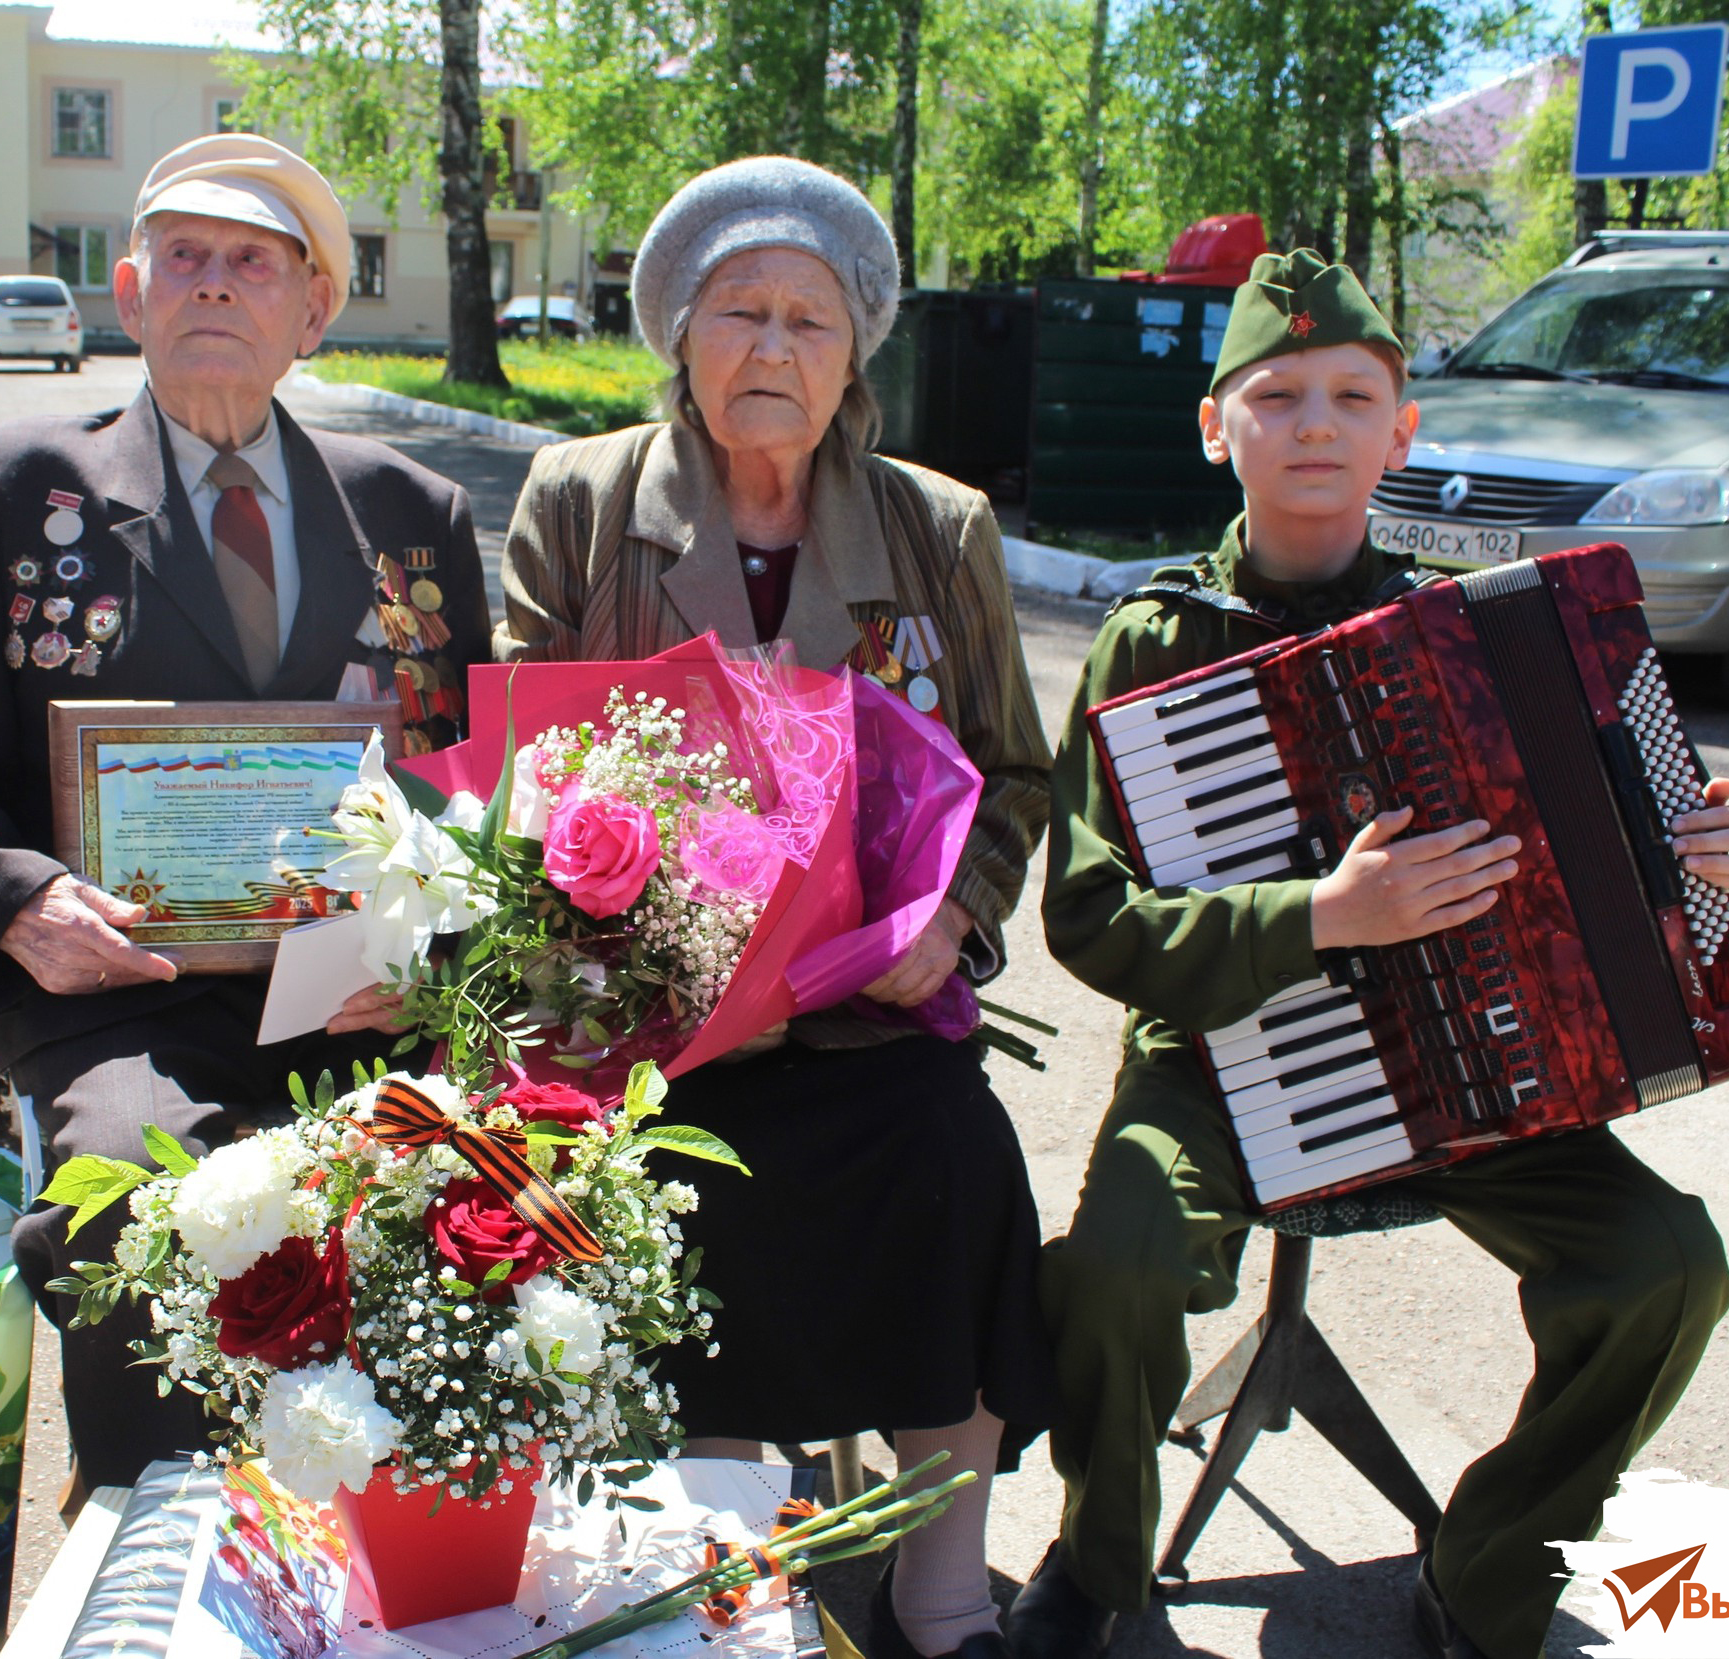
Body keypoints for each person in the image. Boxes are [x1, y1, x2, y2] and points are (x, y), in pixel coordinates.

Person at [1009, 249, 1729, 1659]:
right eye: (1277, 394)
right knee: (1116, 1252)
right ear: (1214, 426)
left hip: (1474, 1065)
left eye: (1353, 395)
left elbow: (1626, 856)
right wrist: (1316, 918)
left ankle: (1484, 1565)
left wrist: (1709, 871)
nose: (1314, 424)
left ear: (1401, 432)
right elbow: (1090, 918)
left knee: (1667, 1262)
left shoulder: (1496, 632)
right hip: (1227, 1058)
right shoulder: (1154, 639)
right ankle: (1095, 1564)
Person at [0, 133, 490, 1495]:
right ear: (132, 297)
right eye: (184, 260)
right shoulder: (15, 493)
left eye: (253, 263)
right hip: (116, 996)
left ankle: (401, 1540)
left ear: (312, 310)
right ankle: (160, 1541)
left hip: (354, 995)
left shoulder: (412, 515)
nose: (215, 286)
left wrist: (416, 951)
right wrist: (21, 903)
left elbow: (456, 784)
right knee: (145, 1200)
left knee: (490, 1189)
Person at [493, 155, 1058, 1659]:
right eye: (737, 310)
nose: (772, 347)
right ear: (677, 333)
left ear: (855, 351)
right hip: (648, 1027)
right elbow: (515, 774)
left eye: (810, 319)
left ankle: (939, 1591)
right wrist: (611, 925)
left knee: (954, 1158)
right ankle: (722, 1583)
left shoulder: (938, 532)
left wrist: (954, 923)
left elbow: (1012, 774)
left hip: (873, 1020)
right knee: (667, 1202)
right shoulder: (580, 504)